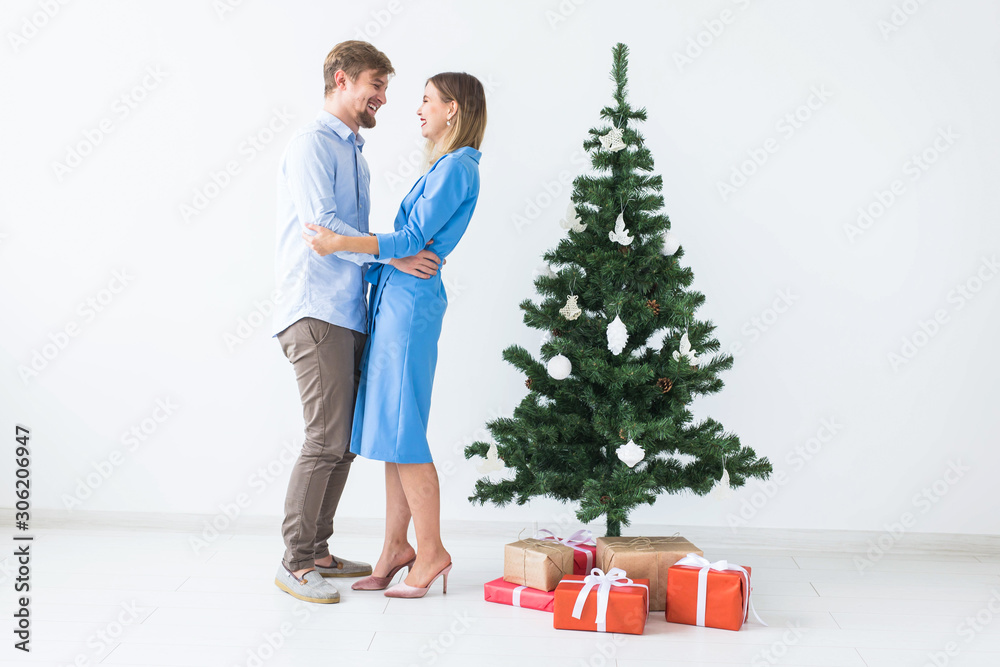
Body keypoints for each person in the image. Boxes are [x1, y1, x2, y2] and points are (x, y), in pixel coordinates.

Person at [302, 71, 487, 599]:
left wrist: (341, 242)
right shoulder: (443, 166)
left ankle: (431, 553)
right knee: (390, 430)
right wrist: (381, 257)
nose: (418, 109)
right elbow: (404, 246)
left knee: (404, 431)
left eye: (427, 100)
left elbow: (410, 239)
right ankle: (394, 549)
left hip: (410, 307)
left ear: (453, 109)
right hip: (396, 300)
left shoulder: (457, 167)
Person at [272, 41, 444, 604]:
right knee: (324, 439)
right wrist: (393, 256)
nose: (384, 98)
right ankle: (295, 563)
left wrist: (381, 263)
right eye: (377, 85)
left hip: (348, 312)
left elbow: (347, 240)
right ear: (342, 79)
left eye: (386, 88)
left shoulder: (355, 154)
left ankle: (318, 550)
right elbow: (321, 228)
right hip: (315, 309)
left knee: (342, 442)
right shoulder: (313, 143)